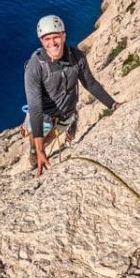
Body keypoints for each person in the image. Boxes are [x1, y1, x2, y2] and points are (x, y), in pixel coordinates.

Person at [24, 15, 119, 176]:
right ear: (41, 41)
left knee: (51, 137)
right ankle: (35, 156)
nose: (52, 43)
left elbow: (90, 84)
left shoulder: (77, 57)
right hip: (44, 117)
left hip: (67, 114)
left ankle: (43, 147)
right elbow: (35, 107)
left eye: (56, 37)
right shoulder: (35, 67)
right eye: (47, 39)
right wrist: (39, 150)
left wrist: (113, 105)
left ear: (64, 36)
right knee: (35, 147)